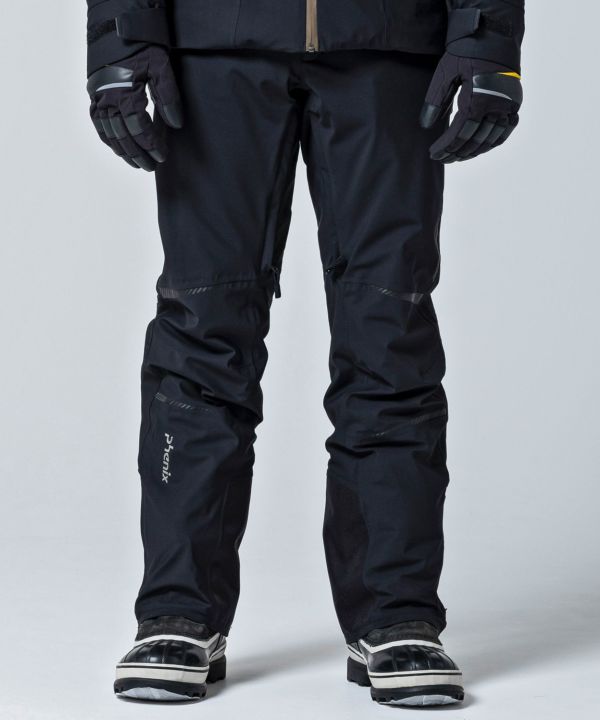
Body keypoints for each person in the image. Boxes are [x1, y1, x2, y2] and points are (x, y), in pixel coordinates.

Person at [86, 0, 524, 707]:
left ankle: (396, 614)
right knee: (203, 325)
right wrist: (120, 38)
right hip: (212, 47)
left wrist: (488, 38)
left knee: (390, 325)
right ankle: (178, 610)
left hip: (387, 43)